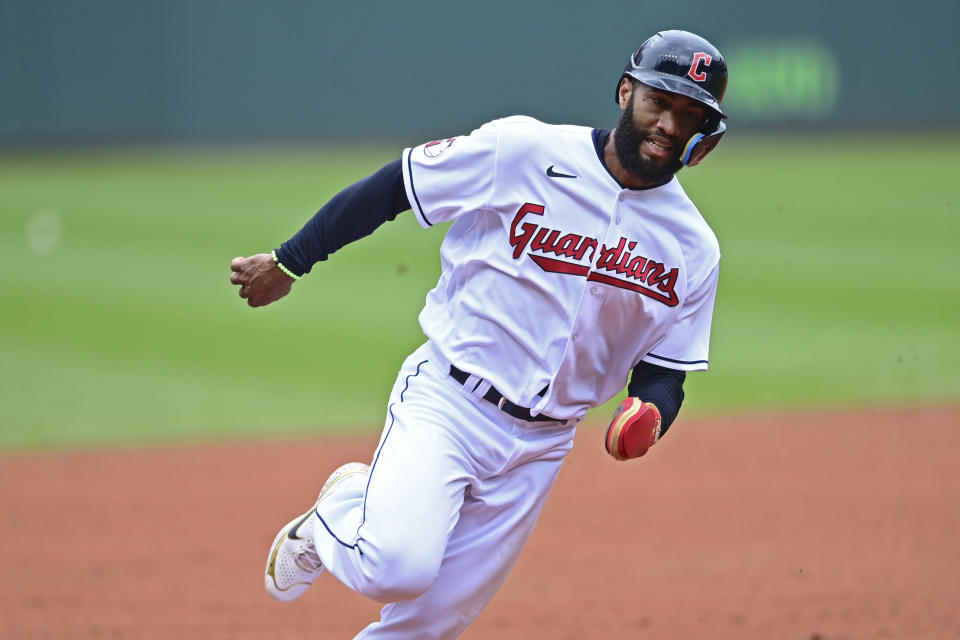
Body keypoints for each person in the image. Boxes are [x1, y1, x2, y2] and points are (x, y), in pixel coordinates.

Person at [230, 29, 728, 639]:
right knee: (395, 568)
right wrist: (289, 261)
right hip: (451, 402)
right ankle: (339, 508)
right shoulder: (522, 150)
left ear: (707, 136)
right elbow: (396, 186)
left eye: (691, 115)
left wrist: (650, 411)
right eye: (660, 102)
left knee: (430, 624)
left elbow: (665, 369)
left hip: (541, 448)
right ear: (626, 92)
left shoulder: (694, 247)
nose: (670, 125)